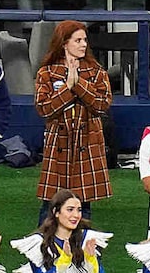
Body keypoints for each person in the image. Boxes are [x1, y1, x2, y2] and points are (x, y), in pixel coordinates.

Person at [30, 20, 109, 209]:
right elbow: (44, 109)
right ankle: (46, 238)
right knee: (51, 205)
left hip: (87, 143)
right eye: (78, 40)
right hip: (59, 143)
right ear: (64, 43)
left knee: (82, 205)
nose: (84, 44)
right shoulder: (46, 73)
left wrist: (78, 84)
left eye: (85, 40)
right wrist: (67, 88)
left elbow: (101, 105)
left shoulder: (96, 72)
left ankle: (81, 239)